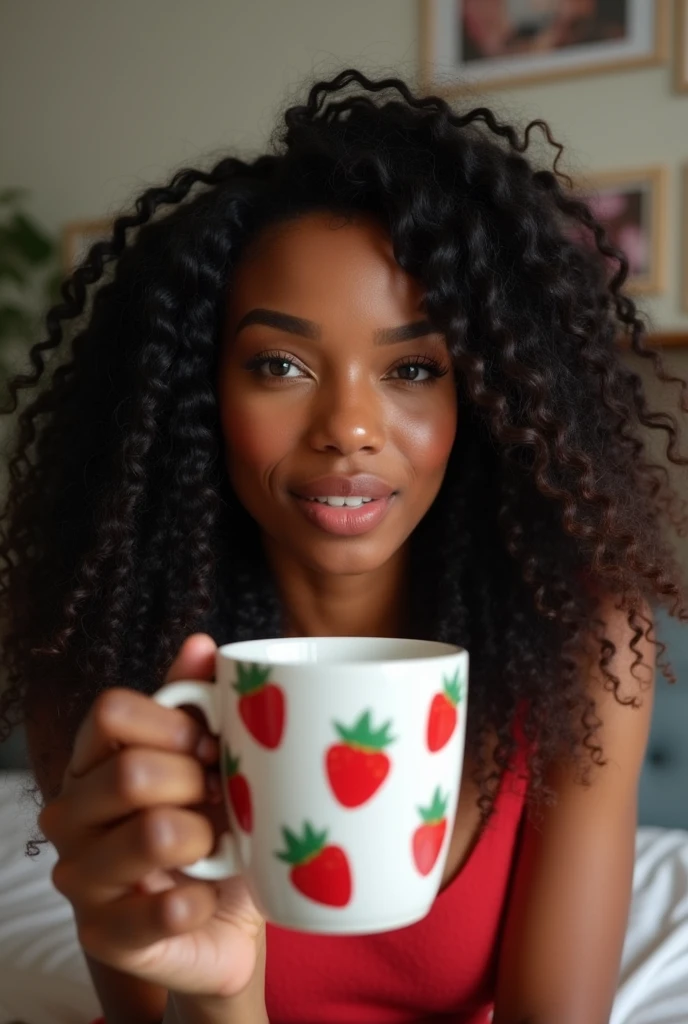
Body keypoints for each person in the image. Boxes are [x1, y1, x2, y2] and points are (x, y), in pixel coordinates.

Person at [0, 67, 685, 1024]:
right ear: (201, 396)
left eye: (411, 367)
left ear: (481, 401)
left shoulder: (586, 641)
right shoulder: (103, 659)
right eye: (280, 365)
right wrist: (222, 986)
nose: (350, 427)